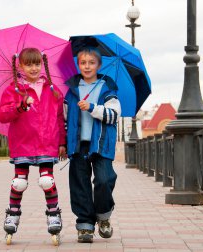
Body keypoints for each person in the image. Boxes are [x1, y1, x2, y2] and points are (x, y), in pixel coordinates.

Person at [0, 48, 66, 244]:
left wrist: (62, 142)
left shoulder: (52, 90)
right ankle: (13, 214)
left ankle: (54, 214)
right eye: (29, 64)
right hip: (23, 143)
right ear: (20, 66)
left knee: (47, 181)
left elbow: (60, 118)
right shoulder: (14, 90)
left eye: (37, 64)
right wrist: (19, 107)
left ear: (42, 65)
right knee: (19, 182)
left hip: (47, 143)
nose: (33, 68)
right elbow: (1, 115)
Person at [64, 47, 121, 243]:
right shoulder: (71, 90)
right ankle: (85, 225)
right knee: (79, 183)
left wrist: (92, 108)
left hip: (101, 144)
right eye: (83, 62)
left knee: (105, 179)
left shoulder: (107, 88)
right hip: (78, 145)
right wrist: (63, 143)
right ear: (78, 64)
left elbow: (114, 116)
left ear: (98, 65)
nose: (87, 66)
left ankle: (103, 217)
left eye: (91, 62)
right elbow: (64, 120)